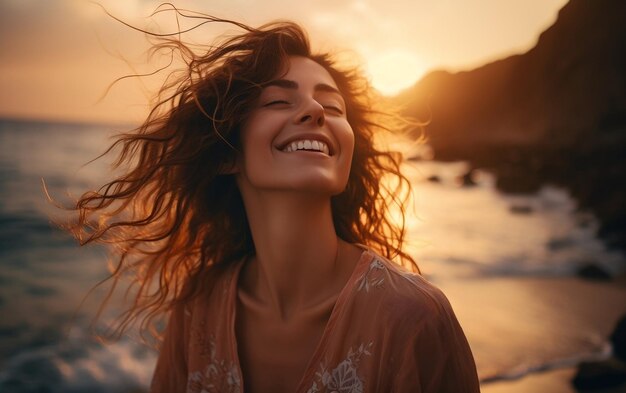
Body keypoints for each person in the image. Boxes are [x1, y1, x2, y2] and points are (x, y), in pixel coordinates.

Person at [70, 8, 479, 393]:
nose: (316, 110)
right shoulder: (199, 305)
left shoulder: (412, 317)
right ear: (228, 152)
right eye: (279, 101)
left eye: (333, 106)